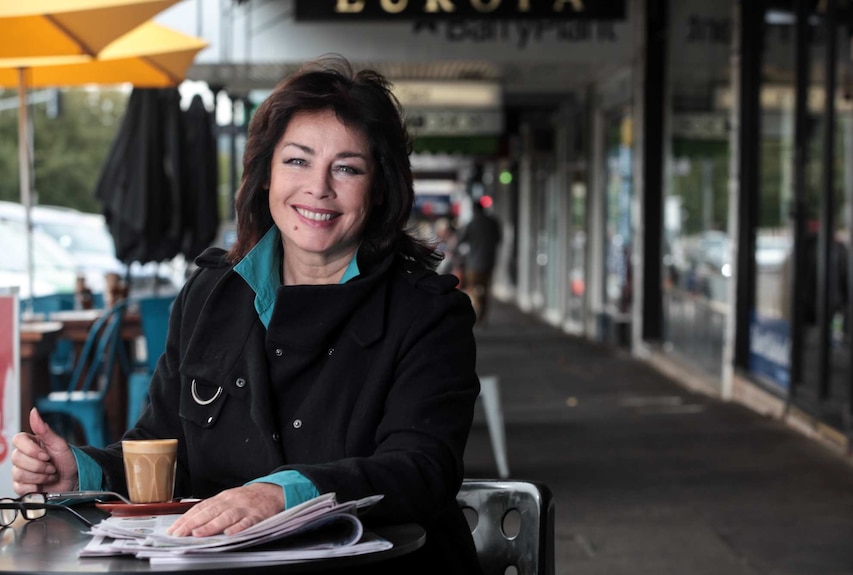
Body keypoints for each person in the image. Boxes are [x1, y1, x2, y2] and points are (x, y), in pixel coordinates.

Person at [11, 56, 482, 573]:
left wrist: (283, 495)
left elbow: (422, 469)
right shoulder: (210, 294)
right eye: (297, 161)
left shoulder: (429, 313)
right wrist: (80, 474)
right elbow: (160, 450)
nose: (318, 188)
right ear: (264, 175)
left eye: (347, 168)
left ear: (380, 188)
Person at [458, 199, 502, 327]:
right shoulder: (493, 223)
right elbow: (499, 239)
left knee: (473, 289)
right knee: (485, 289)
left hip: (473, 263)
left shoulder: (471, 224)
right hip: (489, 261)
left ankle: (476, 313)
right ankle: (483, 316)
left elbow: (461, 240)